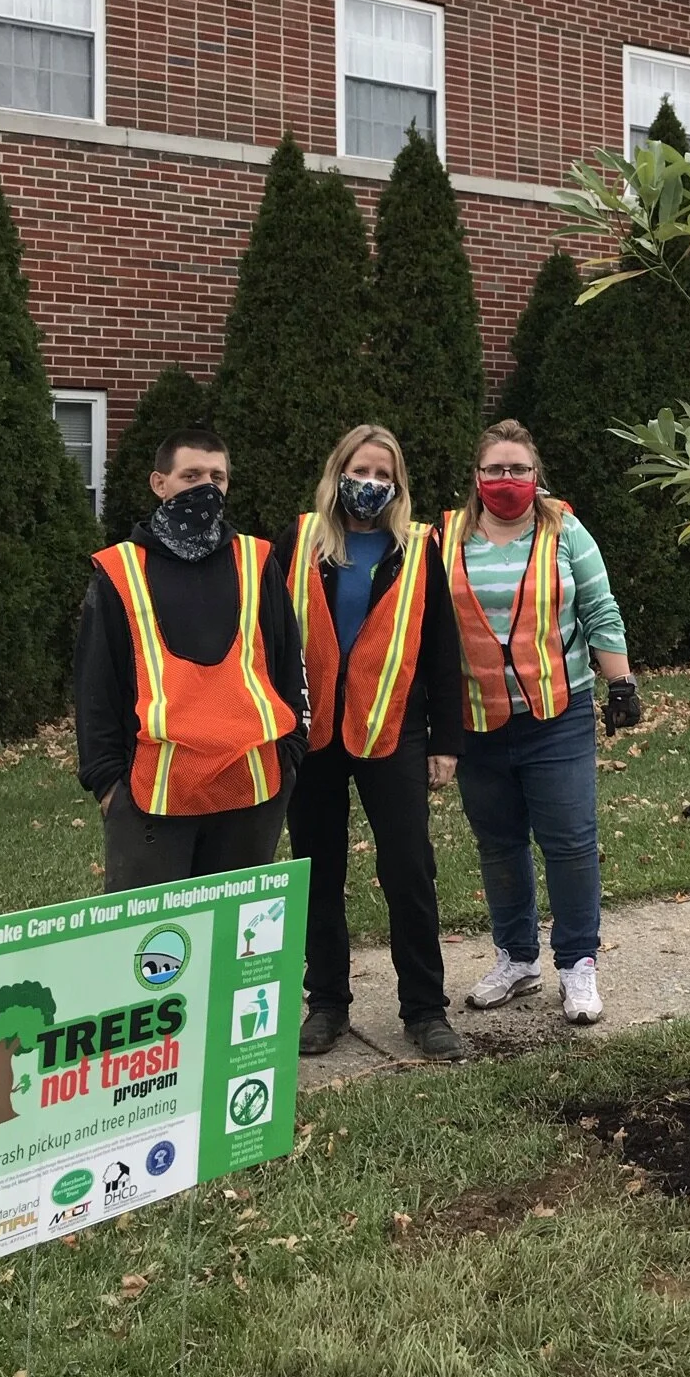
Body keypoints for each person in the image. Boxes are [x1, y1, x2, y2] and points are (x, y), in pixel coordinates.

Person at [277, 425, 467, 1064]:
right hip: (314, 732)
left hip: (395, 728)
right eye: (363, 470)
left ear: (398, 485)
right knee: (318, 868)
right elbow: (271, 638)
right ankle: (326, 1003)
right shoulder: (301, 541)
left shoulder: (417, 549)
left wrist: (447, 740)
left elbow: (443, 649)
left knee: (408, 868)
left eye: (385, 476)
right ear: (339, 472)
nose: (373, 485)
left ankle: (425, 1009)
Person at [444, 420, 641, 1025]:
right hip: (477, 719)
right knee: (499, 845)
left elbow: (599, 607)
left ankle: (577, 964)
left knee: (571, 843)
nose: (507, 480)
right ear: (476, 478)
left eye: (519, 470)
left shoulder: (564, 529)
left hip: (556, 713)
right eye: (496, 470)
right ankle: (516, 957)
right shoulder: (444, 539)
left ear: (537, 476)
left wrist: (621, 682)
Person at [75, 429, 307, 892]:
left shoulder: (257, 560)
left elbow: (288, 662)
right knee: (150, 952)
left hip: (253, 789)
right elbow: (94, 685)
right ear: (159, 484)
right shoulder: (120, 569)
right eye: (191, 475)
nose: (206, 487)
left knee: (234, 955)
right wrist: (107, 786)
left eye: (217, 476)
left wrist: (291, 752)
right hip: (152, 798)